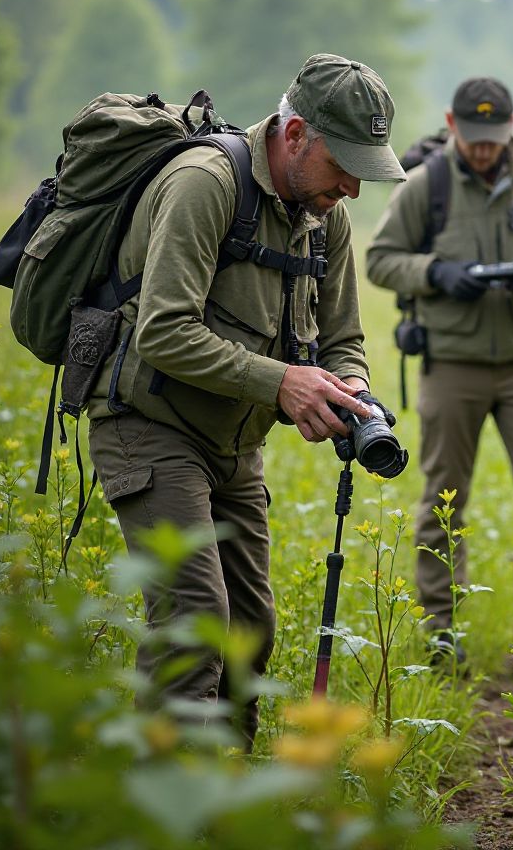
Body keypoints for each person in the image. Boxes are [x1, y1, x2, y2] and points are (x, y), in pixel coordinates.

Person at [86, 54, 406, 750]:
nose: (352, 187)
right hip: (149, 423)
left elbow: (344, 335)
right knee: (195, 619)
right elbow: (163, 331)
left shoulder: (327, 217)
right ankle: (172, 805)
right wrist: (282, 383)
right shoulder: (206, 185)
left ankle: (226, 797)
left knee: (249, 632)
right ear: (294, 137)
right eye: (343, 165)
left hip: (235, 446)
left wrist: (349, 386)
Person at [365, 77, 513, 661]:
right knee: (444, 495)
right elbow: (382, 259)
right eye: (473, 136)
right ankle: (444, 630)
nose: (484, 148)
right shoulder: (426, 185)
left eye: (494, 136)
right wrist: (436, 274)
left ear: (511, 126)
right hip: (451, 362)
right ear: (452, 123)